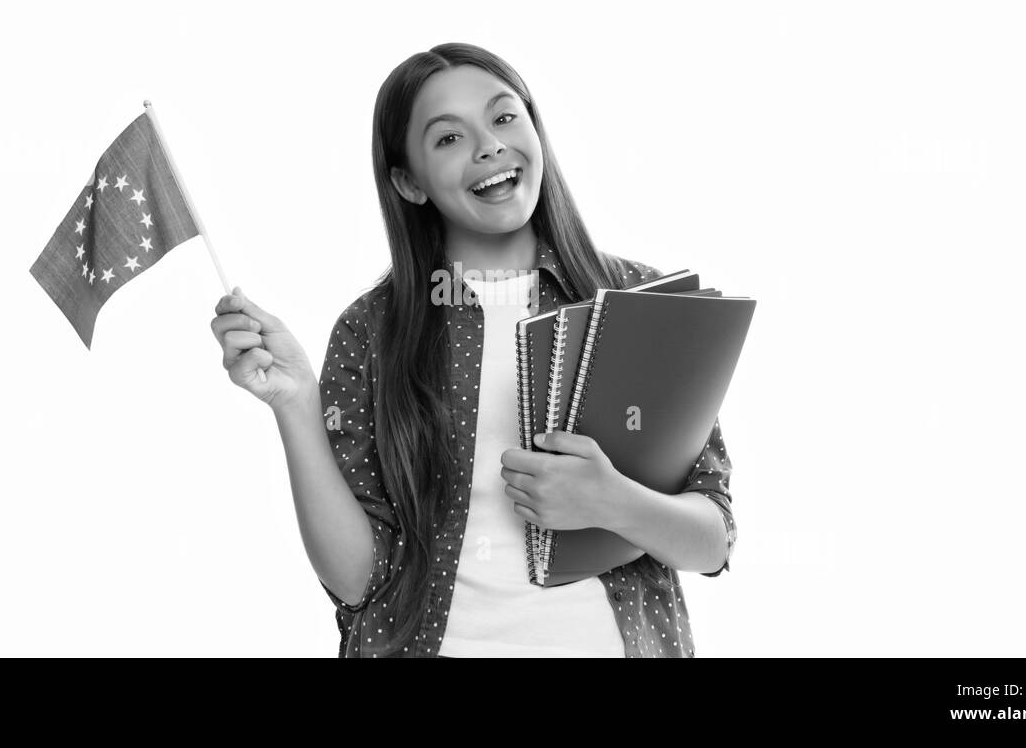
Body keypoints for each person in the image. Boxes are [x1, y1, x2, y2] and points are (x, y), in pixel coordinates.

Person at [209, 43, 736, 658]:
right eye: (448, 139)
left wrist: (613, 502)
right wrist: (295, 405)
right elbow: (357, 581)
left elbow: (714, 539)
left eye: (505, 117)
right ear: (409, 181)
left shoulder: (639, 301)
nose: (488, 145)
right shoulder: (371, 333)